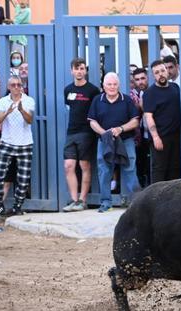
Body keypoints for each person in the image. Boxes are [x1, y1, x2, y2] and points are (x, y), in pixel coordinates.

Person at [88, 72, 141, 212]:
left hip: (125, 139)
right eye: (109, 84)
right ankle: (106, 202)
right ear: (103, 86)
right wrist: (104, 133)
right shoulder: (97, 100)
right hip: (105, 140)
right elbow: (92, 122)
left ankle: (137, 203)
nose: (112, 87)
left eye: (115, 84)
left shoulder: (127, 100)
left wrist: (121, 129)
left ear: (119, 85)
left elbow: (135, 121)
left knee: (130, 169)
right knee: (104, 170)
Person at [0, 76, 34, 221]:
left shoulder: (28, 100)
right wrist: (7, 112)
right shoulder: (3, 101)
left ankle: (17, 206)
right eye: (13, 85)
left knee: (23, 178)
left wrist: (21, 110)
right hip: (7, 142)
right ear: (8, 87)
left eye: (19, 85)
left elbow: (30, 120)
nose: (16, 87)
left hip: (25, 143)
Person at [61, 57, 100, 211]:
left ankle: (82, 201)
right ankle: (73, 199)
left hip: (87, 132)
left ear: (86, 71)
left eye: (82, 68)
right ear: (72, 71)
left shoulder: (93, 90)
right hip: (71, 132)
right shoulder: (68, 90)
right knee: (68, 165)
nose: (79, 71)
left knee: (84, 165)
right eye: (76, 68)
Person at [143, 59, 181, 183]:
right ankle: (156, 200)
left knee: (175, 170)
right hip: (160, 137)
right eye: (156, 72)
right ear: (153, 75)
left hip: (176, 136)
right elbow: (148, 116)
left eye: (162, 70)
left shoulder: (175, 87)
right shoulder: (150, 93)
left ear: (167, 71)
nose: (160, 74)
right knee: (159, 170)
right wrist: (155, 137)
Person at [130, 67, 150, 187]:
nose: (140, 82)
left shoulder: (150, 91)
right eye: (137, 79)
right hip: (143, 132)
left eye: (143, 78)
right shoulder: (140, 93)